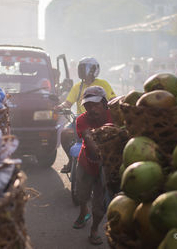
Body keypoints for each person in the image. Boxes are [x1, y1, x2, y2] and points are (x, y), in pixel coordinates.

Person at [56, 57, 115, 173]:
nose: (81, 71)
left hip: (100, 120)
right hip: (80, 119)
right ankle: (70, 160)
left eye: (84, 68)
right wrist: (60, 107)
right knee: (64, 134)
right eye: (80, 68)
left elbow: (113, 99)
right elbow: (68, 103)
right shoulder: (77, 87)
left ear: (93, 70)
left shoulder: (103, 84)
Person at [72, 85, 112, 245]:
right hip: (86, 164)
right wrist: (101, 152)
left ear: (104, 103)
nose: (92, 109)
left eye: (96, 105)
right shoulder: (81, 120)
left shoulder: (114, 116)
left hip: (106, 167)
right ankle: (83, 211)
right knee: (82, 194)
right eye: (88, 105)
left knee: (100, 204)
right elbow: (88, 138)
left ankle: (94, 229)